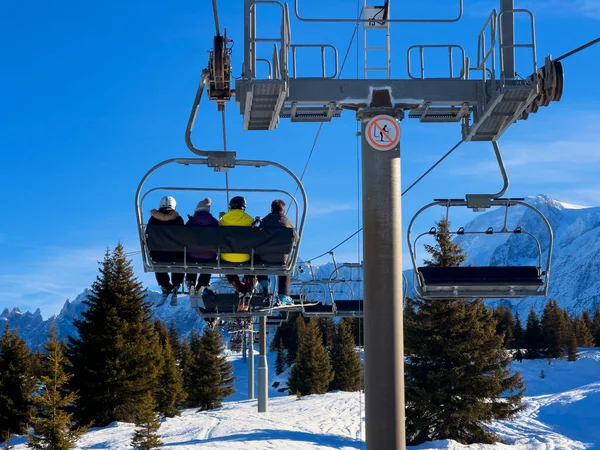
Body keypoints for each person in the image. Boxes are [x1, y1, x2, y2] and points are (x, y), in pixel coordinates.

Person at [146, 195, 184, 306]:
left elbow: (147, 236)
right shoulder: (178, 220)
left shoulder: (153, 220)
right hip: (176, 254)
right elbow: (184, 237)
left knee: (158, 261)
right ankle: (176, 284)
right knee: (180, 260)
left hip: (157, 254)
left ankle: (164, 284)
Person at [256, 199, 296, 305]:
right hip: (281, 259)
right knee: (286, 266)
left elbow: (257, 239)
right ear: (283, 210)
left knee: (256, 259)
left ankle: (264, 283)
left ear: (271, 209)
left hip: (263, 257)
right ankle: (283, 294)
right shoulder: (289, 223)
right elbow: (296, 240)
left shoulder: (264, 222)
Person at [219, 196, 256, 311]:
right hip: (245, 257)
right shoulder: (250, 220)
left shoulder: (223, 220)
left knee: (227, 268)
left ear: (230, 207)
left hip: (227, 257)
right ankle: (249, 288)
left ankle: (240, 288)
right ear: (243, 207)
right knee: (252, 267)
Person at [184, 198, 219, 309]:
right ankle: (202, 285)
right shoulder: (215, 223)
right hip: (209, 256)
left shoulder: (191, 222)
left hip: (192, 255)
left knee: (190, 261)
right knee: (208, 265)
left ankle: (191, 282)